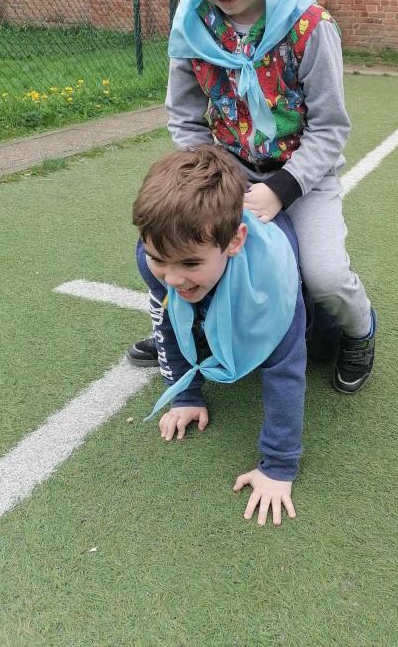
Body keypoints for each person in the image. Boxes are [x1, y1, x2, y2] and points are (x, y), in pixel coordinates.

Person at [127, 0, 377, 393]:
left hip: (302, 176)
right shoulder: (192, 27)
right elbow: (185, 118)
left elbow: (330, 130)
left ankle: (359, 331)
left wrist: (282, 188)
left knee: (324, 275)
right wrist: (218, 179)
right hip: (227, 170)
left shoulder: (310, 28)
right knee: (194, 247)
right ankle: (186, 329)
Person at [133, 146, 307, 525]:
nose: (172, 277)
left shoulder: (271, 284)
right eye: (158, 259)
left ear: (235, 241)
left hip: (269, 280)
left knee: (317, 330)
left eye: (189, 262)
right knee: (191, 303)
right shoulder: (156, 257)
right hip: (224, 271)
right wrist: (185, 394)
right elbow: (167, 322)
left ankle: (358, 332)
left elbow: (286, 369)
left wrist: (279, 465)